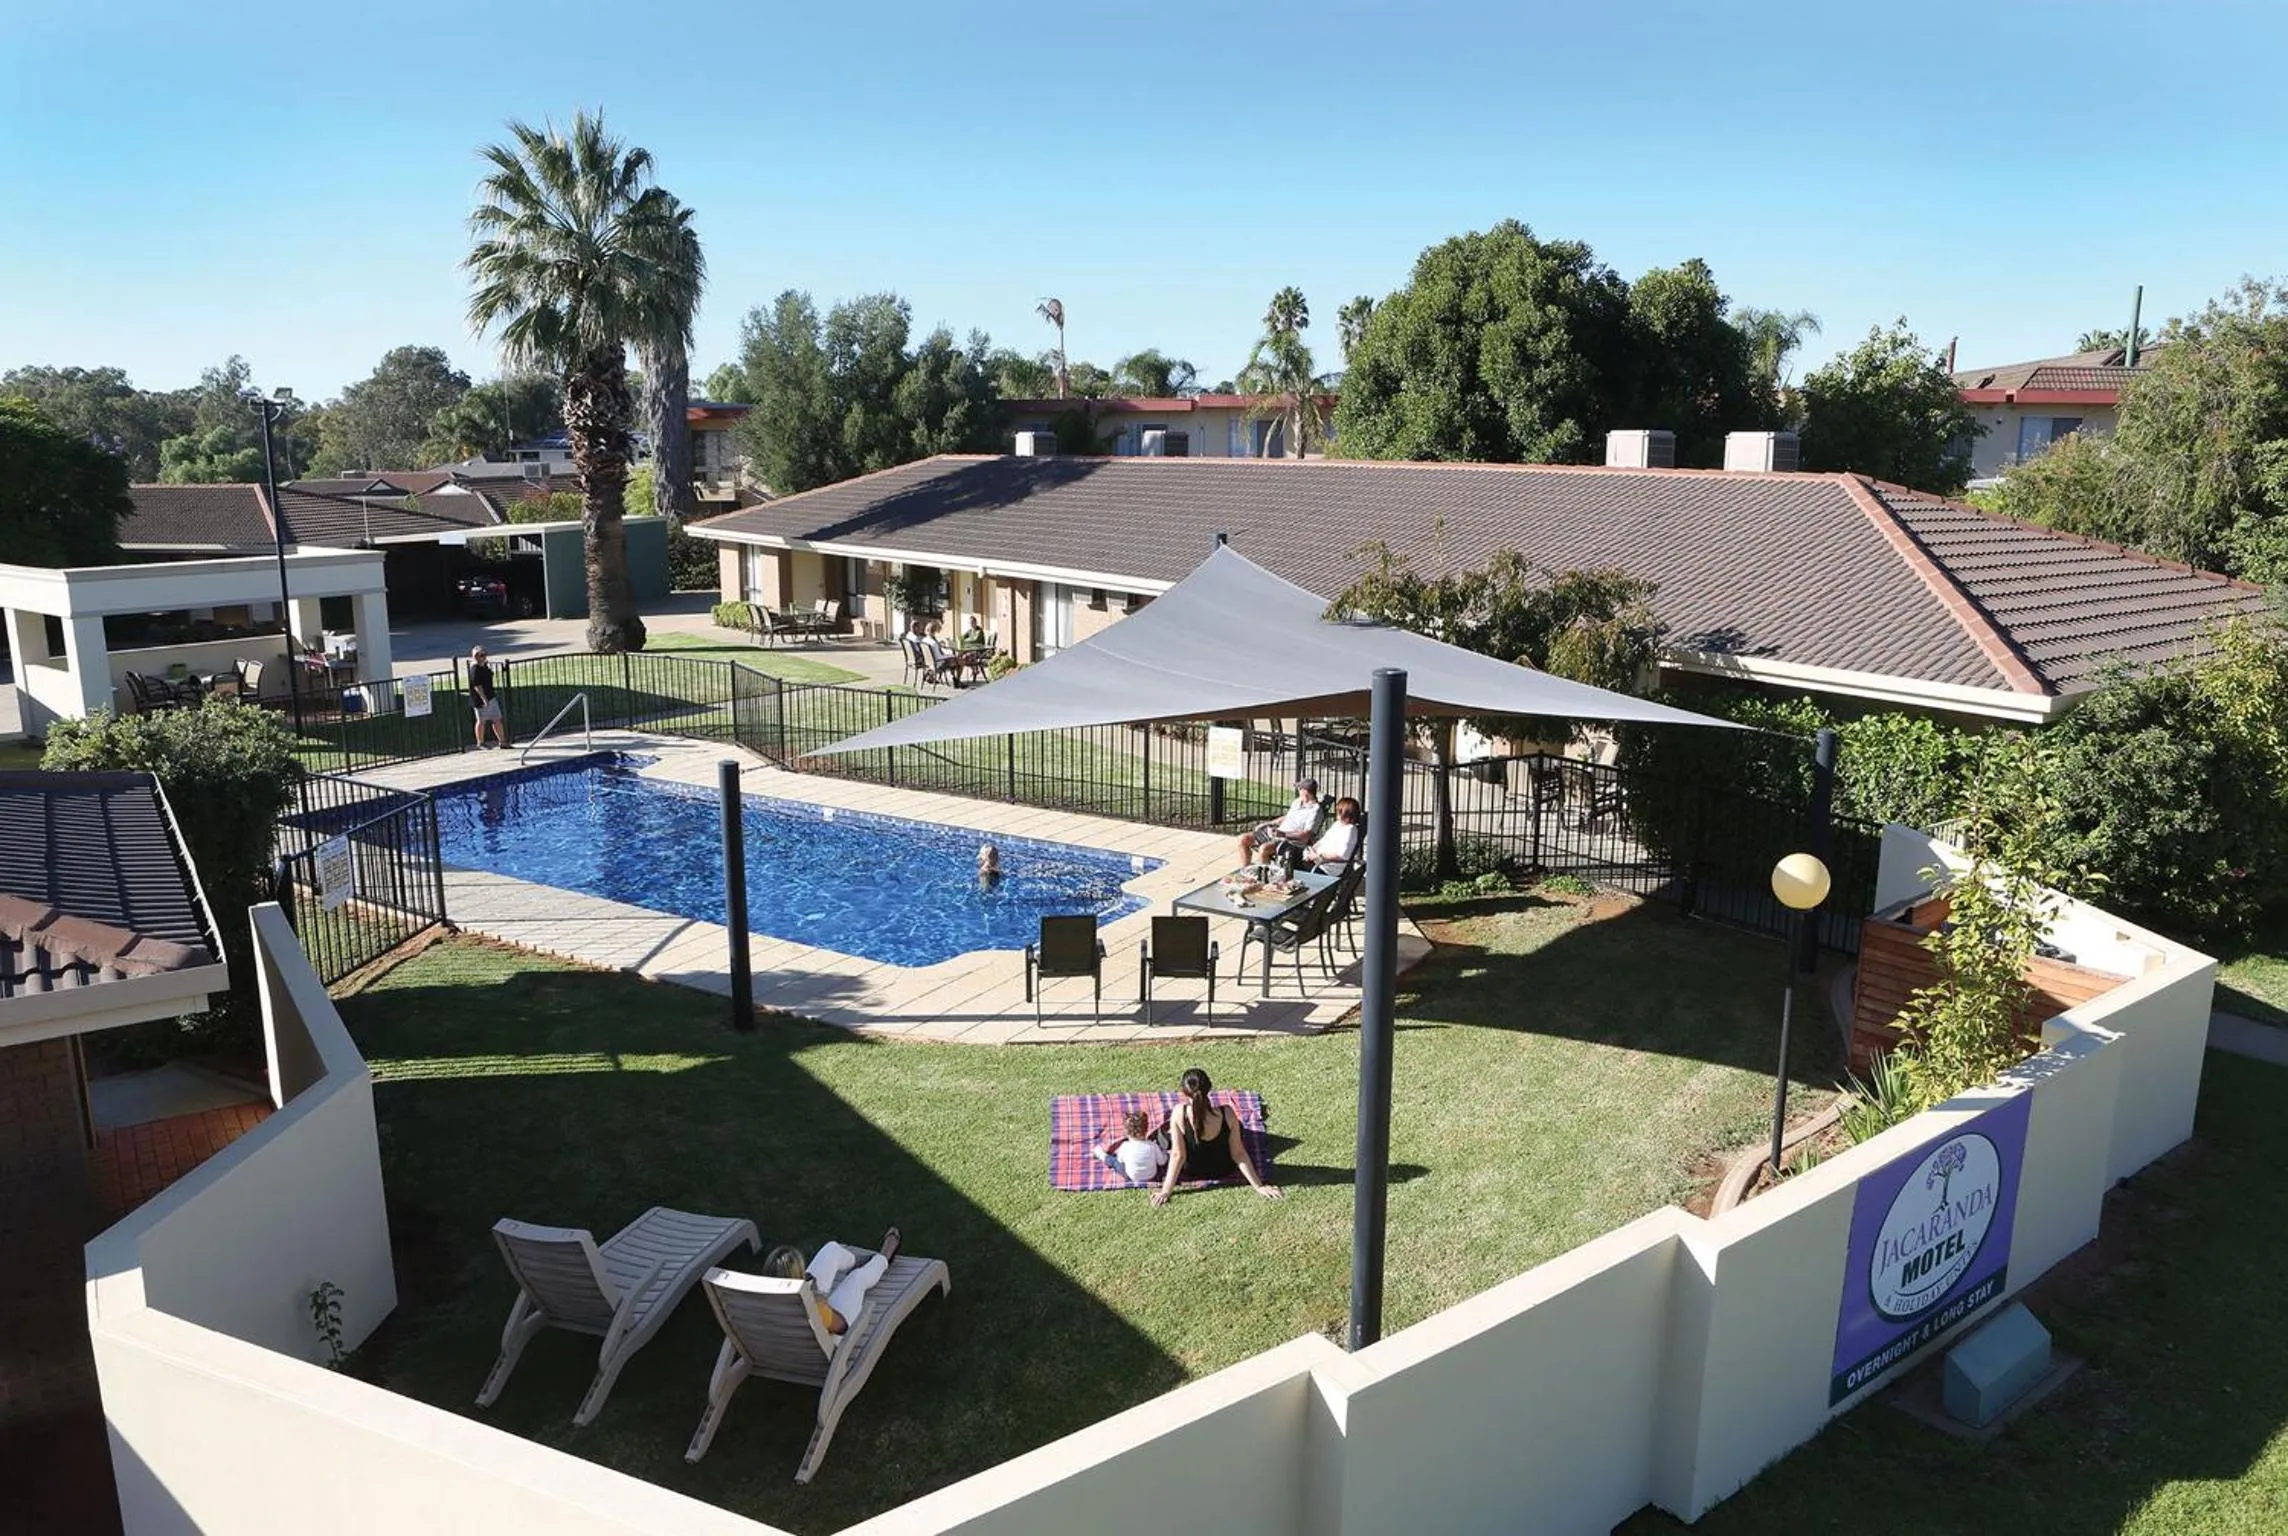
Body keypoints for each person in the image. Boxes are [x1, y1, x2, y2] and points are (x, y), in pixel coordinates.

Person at [1155, 1067, 1281, 1205]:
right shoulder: (1227, 1113)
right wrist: (1259, 1186)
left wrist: (1166, 1190)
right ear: (1209, 1088)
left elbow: (1178, 1155)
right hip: (1224, 1168)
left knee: (1166, 1135)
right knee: (1237, 1127)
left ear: (1184, 1092)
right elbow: (1238, 1154)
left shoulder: (1179, 1113)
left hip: (1193, 1170)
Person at [759, 1228, 901, 1344]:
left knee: (831, 1249)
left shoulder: (757, 1301)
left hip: (800, 1320)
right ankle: (883, 1258)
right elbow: (842, 1327)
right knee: (856, 1278)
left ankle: (857, 1261)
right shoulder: (815, 1308)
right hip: (832, 1334)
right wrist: (819, 1299)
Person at [1237, 778, 1322, 867]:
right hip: (1277, 834)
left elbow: (1305, 836)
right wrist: (1269, 823)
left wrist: (1283, 834)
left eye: (1299, 789)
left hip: (1291, 841)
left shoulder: (1315, 811)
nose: (1298, 791)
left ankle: (1266, 877)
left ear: (1305, 791)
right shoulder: (1298, 802)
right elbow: (1288, 817)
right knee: (1243, 839)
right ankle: (1246, 869)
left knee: (1264, 849)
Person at [1095, 1109, 1169, 1187]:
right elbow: (1162, 1162)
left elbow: (1120, 1160)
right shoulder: (1153, 1146)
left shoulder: (1125, 1146)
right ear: (1146, 1130)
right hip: (1151, 1175)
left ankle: (1101, 1155)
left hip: (1130, 1176)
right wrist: (1165, 1154)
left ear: (1126, 1133)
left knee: (1114, 1162)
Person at [1303, 796, 1363, 870]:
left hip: (1326, 867)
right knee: (1295, 853)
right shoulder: (1337, 824)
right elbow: (1324, 840)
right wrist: (1312, 850)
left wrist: (1319, 856)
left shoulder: (1350, 830)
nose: (1337, 813)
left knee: (1294, 863)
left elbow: (1342, 855)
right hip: (1317, 860)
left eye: (1339, 811)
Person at [469, 646, 508, 750]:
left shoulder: (484, 666)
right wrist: (484, 699)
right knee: (481, 721)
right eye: (480, 655)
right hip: (480, 700)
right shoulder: (475, 669)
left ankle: (502, 741)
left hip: (491, 696)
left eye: (483, 654)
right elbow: (477, 686)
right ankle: (480, 743)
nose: (483, 657)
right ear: (475, 657)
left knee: (497, 719)